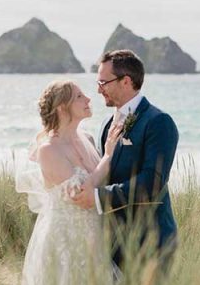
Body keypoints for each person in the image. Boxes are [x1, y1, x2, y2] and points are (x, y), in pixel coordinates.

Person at [16, 80, 122, 285]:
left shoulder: (87, 139)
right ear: (63, 107)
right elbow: (79, 193)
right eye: (79, 96)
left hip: (93, 238)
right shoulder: (48, 150)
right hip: (64, 242)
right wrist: (110, 156)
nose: (89, 98)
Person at [71, 49, 179, 273]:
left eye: (103, 82)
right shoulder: (106, 125)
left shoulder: (158, 122)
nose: (98, 90)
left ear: (126, 81)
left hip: (150, 242)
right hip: (112, 244)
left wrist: (99, 197)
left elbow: (152, 182)